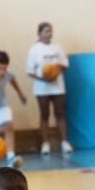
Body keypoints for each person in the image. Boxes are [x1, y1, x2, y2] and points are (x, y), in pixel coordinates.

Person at [26, 22, 73, 155]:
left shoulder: (57, 47)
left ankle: (64, 142)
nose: (49, 34)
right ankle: (45, 143)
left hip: (58, 86)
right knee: (44, 114)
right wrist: (44, 78)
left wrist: (55, 71)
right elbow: (30, 71)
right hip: (42, 88)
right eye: (46, 31)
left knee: (60, 113)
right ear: (39, 33)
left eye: (50, 31)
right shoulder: (34, 49)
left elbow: (65, 64)